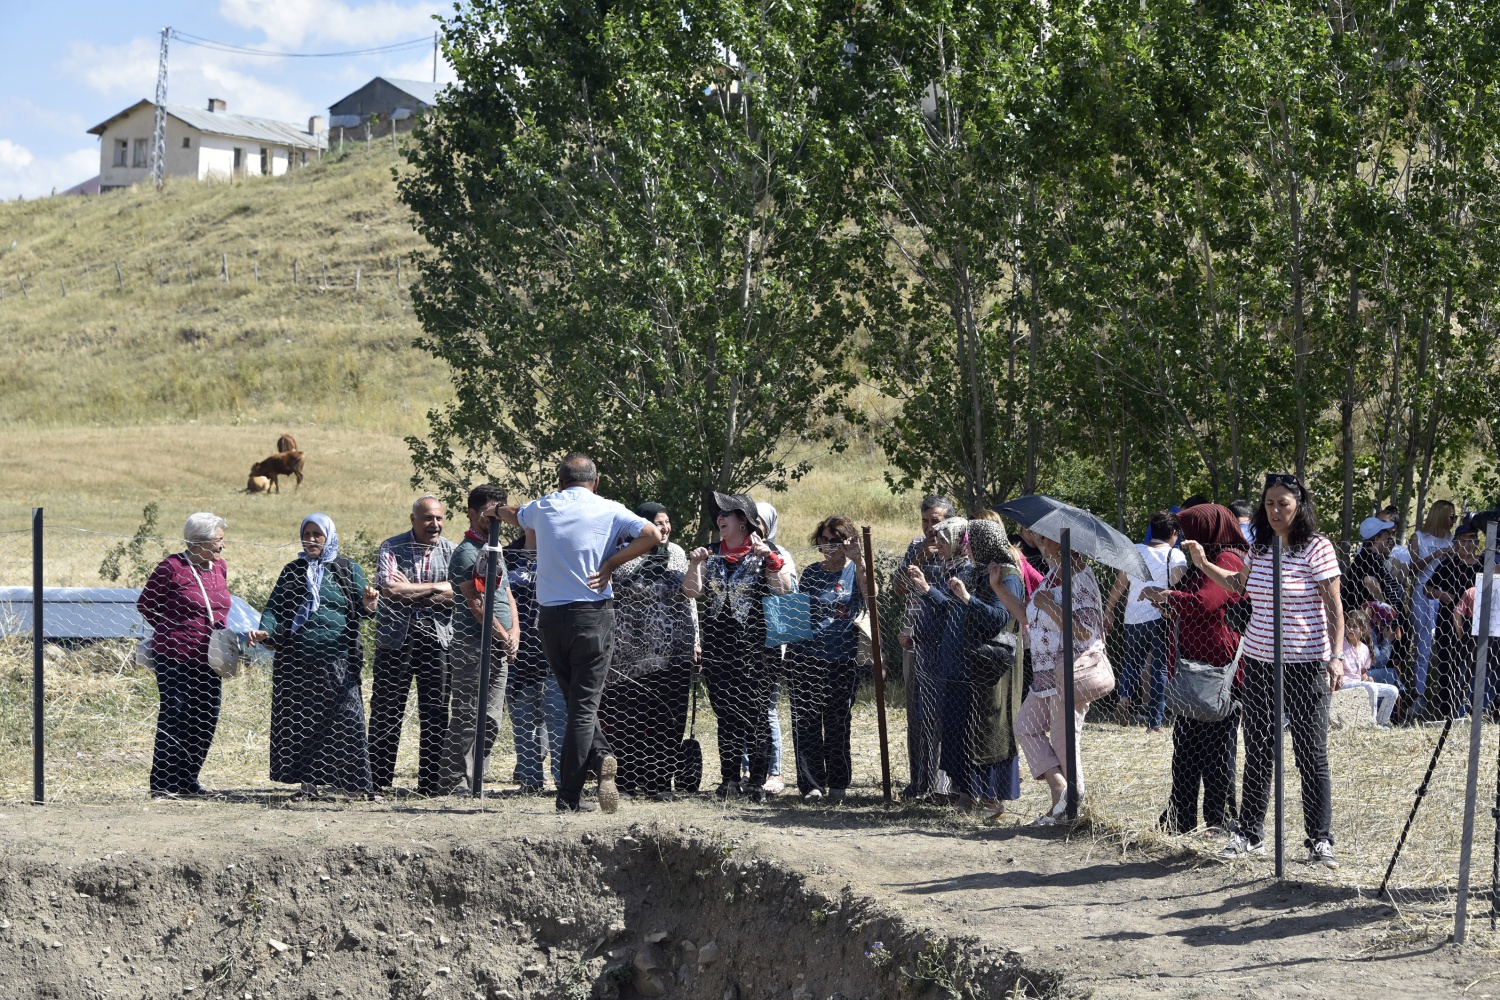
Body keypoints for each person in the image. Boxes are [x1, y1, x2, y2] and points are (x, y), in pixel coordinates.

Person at [1184, 473, 1343, 869]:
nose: (1275, 510)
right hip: (1258, 663)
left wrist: (1336, 657)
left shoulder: (1317, 549)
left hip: (1306, 665)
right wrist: (1203, 564)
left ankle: (1319, 840)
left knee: (1312, 754)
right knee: (1258, 751)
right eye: (1270, 503)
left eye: (1283, 504)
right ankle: (1250, 834)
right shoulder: (1260, 547)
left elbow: (1335, 608)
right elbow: (1239, 586)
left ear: (1299, 505)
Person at [495, 454, 662, 813]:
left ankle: (601, 758)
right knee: (584, 707)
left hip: (550, 620)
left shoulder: (543, 507)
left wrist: (496, 512)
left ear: (559, 481)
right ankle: (568, 798)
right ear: (595, 482)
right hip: (592, 616)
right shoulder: (609, 508)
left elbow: (514, 514)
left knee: (575, 702)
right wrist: (610, 564)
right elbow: (652, 534)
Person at [252, 514, 380, 798]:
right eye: (306, 534)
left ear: (329, 537)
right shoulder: (292, 571)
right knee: (304, 721)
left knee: (348, 719)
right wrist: (265, 631)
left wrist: (370, 604)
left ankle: (355, 787)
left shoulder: (347, 568)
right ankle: (308, 787)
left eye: (317, 535)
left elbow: (366, 609)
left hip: (340, 660)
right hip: (297, 660)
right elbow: (274, 608)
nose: (310, 540)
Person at [908, 518, 1025, 820]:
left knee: (988, 729)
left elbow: (1001, 620)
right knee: (959, 729)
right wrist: (927, 590)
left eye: (973, 541)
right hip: (964, 665)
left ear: (987, 542)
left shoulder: (1008, 575)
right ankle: (965, 793)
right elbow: (952, 607)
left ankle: (992, 798)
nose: (968, 546)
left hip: (990, 668)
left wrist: (968, 598)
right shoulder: (976, 571)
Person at [1140, 504, 1247, 835]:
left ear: (1208, 531)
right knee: (1185, 751)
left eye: (1191, 531)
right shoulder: (1204, 560)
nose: (1185, 539)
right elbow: (1191, 602)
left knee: (1217, 753)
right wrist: (1166, 600)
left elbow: (1205, 602)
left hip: (1218, 673)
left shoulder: (1228, 560)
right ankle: (1179, 817)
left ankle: (1218, 820)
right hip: (1193, 668)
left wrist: (1169, 596)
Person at [683, 491, 794, 802]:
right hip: (719, 647)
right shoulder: (712, 553)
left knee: (756, 716)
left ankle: (757, 783)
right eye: (718, 514)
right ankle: (730, 780)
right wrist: (694, 565)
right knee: (727, 716)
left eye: (726, 513)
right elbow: (691, 592)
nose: (719, 518)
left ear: (743, 521)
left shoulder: (766, 551)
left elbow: (785, 591)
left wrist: (770, 560)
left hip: (757, 648)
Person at [1002, 527, 1113, 826]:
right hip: (1044, 676)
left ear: (1066, 541)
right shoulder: (1053, 574)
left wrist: (1050, 605)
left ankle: (1071, 810)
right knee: (1025, 727)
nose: (1038, 541)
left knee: (1065, 742)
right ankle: (1061, 792)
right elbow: (1027, 616)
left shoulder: (1080, 578)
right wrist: (999, 589)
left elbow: (1083, 630)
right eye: (1037, 536)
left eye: (1044, 536)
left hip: (1068, 673)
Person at [600, 502, 698, 800]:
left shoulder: (679, 554)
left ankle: (658, 783)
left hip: (674, 651)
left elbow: (690, 599)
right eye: (658, 522)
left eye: (668, 522)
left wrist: (696, 640)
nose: (665, 527)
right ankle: (628, 782)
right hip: (630, 653)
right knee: (629, 718)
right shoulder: (620, 552)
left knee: (668, 718)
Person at [137, 512, 234, 798]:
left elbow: (221, 607)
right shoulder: (172, 567)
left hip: (211, 657)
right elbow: (146, 604)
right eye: (218, 540)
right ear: (198, 542)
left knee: (205, 717)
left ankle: (188, 780)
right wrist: (172, 631)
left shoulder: (220, 568)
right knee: (176, 717)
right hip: (175, 657)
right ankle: (164, 785)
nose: (222, 546)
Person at [368, 495, 458, 796]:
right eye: (428, 518)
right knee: (386, 711)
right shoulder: (391, 546)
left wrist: (417, 590)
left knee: (435, 712)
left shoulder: (452, 551)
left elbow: (459, 592)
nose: (435, 524)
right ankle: (378, 782)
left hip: (438, 641)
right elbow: (390, 589)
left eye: (439, 518)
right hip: (396, 640)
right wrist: (436, 589)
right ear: (413, 519)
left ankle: (430, 785)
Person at [438, 485, 520, 795]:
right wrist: (503, 635)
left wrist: (514, 635)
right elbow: (476, 604)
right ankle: (456, 783)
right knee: (468, 717)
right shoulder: (466, 553)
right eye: (489, 511)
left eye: (500, 509)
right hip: (472, 647)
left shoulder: (495, 549)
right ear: (473, 513)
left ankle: (477, 781)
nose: (495, 516)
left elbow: (507, 595)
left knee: (492, 719)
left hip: (499, 647)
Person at [787, 515, 873, 802]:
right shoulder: (811, 573)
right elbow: (797, 614)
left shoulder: (856, 570)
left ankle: (838, 783)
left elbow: (871, 594)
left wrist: (859, 559)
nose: (827, 546)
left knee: (838, 723)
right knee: (807, 722)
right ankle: (812, 785)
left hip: (843, 657)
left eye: (834, 541)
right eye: (823, 540)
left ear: (847, 541)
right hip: (807, 657)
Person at [894, 495, 960, 799]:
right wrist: (919, 557)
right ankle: (919, 780)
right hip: (914, 641)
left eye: (935, 521)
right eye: (925, 521)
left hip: (946, 642)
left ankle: (943, 786)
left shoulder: (958, 549)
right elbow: (897, 587)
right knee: (917, 715)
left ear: (948, 519)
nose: (929, 527)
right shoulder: (916, 546)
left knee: (942, 715)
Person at [1105, 511, 1186, 731]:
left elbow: (1120, 584)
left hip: (1133, 617)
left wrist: (1109, 609)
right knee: (1158, 669)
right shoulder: (1175, 556)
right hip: (1162, 617)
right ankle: (1155, 722)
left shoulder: (1135, 552)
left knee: (1132, 663)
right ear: (1174, 534)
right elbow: (1179, 588)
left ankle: (1124, 698)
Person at [504, 529, 567, 792]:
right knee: (523, 720)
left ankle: (564, 781)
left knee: (559, 720)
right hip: (517, 651)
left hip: (554, 650)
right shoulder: (507, 557)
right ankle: (530, 781)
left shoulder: (560, 555)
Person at [755, 500, 796, 796]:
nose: (754, 526)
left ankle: (775, 771)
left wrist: (769, 558)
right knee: (741, 710)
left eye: (759, 521)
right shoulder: (732, 553)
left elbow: (789, 595)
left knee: (767, 709)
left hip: (771, 645)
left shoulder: (781, 554)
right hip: (739, 648)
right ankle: (747, 769)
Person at [1423, 520, 1483, 720]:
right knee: (1448, 668)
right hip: (1448, 625)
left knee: (1477, 667)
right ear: (1455, 544)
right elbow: (1426, 589)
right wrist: (1440, 594)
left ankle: (1474, 712)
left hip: (1477, 627)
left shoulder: (1485, 565)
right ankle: (1446, 713)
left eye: (1471, 540)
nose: (1467, 545)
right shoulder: (1448, 564)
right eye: (1463, 541)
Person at [1408, 500, 1458, 707]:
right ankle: (1418, 697)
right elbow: (1412, 570)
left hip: (1445, 598)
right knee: (1423, 648)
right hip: (1422, 596)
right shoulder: (1418, 538)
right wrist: (1436, 555)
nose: (1454, 521)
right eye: (1451, 517)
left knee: (1447, 646)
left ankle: (1444, 696)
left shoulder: (1453, 540)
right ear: (1440, 516)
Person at [1340, 609, 1399, 728]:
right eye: (1348, 626)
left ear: (1362, 630)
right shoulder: (1341, 645)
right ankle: (1371, 723)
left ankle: (1382, 721)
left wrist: (1367, 678)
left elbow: (1362, 673)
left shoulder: (1364, 649)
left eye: (1354, 626)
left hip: (1358, 683)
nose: (1350, 629)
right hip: (1344, 683)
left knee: (1392, 691)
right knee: (1371, 688)